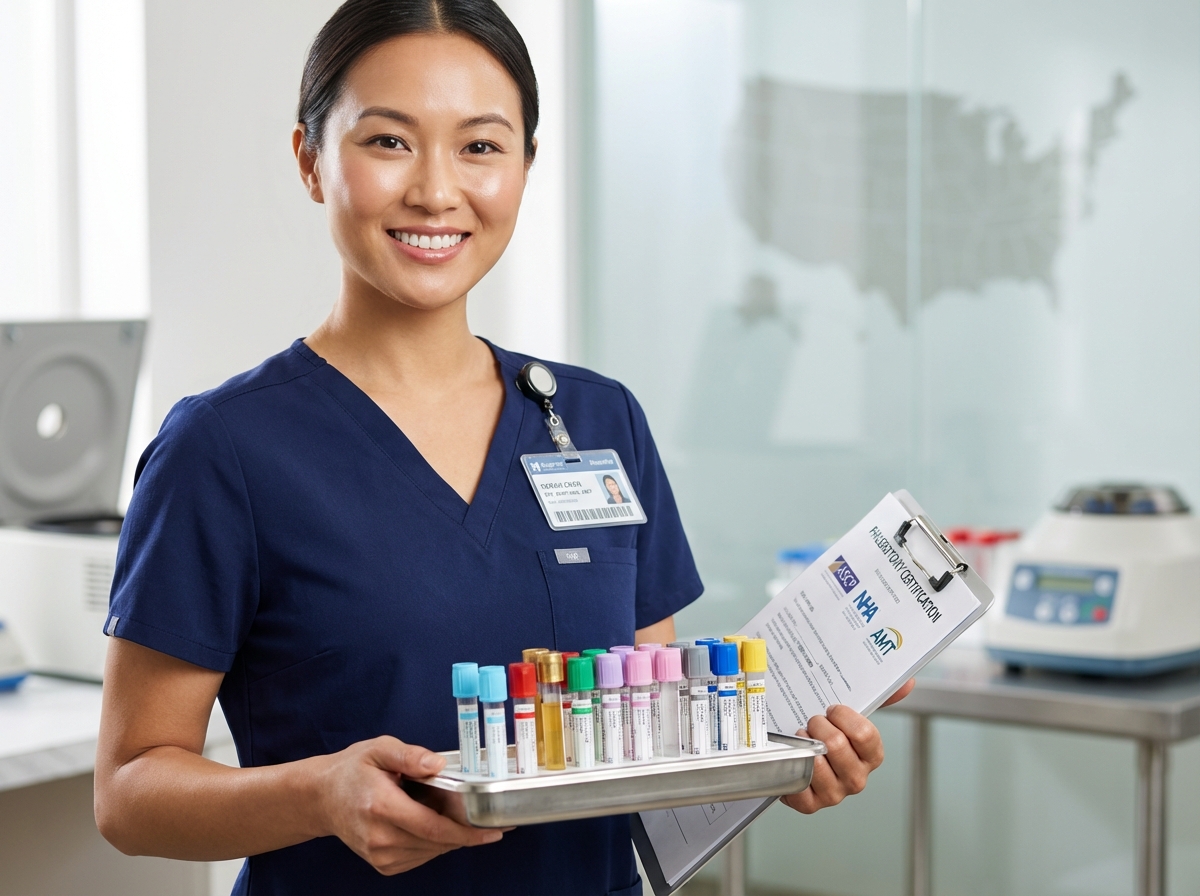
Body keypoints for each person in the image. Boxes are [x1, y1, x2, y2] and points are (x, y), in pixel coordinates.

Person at [93, 2, 913, 894]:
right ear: (310, 161)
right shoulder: (225, 449)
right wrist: (317, 795)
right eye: (389, 142)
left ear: (526, 165)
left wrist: (782, 757)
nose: (437, 192)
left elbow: (650, 740)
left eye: (481, 147)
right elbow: (130, 791)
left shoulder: (600, 422)